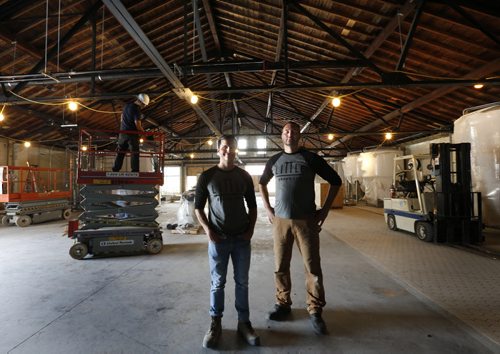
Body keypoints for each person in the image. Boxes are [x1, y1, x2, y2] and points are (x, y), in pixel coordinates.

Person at [259, 121, 342, 335]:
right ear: (281, 135)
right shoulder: (275, 160)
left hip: (306, 221)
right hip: (280, 222)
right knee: (280, 266)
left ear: (299, 136)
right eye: (286, 131)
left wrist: (324, 211)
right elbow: (262, 183)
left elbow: (335, 181)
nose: (290, 134)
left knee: (312, 268)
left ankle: (315, 311)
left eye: (294, 131)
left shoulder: (310, 158)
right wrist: (268, 209)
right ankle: (282, 304)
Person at [195, 135, 260, 349]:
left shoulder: (244, 176)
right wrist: (208, 231)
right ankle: (215, 324)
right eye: (224, 148)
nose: (228, 152)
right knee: (217, 283)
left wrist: (250, 230)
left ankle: (244, 323)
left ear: (236, 151)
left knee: (242, 282)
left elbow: (252, 206)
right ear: (218, 150)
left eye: (232, 148)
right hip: (219, 239)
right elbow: (198, 208)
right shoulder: (207, 176)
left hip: (241, 239)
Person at [112, 93, 149, 172]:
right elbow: (137, 125)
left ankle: (115, 169)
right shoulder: (137, 110)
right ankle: (135, 170)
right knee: (134, 152)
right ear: (141, 103)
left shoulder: (127, 106)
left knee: (121, 151)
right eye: (144, 105)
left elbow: (122, 118)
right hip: (132, 134)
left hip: (122, 133)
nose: (144, 106)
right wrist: (144, 134)